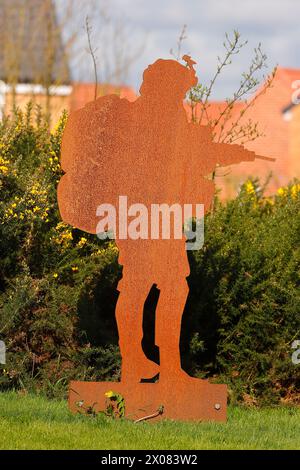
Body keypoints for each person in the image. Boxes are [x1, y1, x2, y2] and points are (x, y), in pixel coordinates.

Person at [58, 57, 272, 384]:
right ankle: (149, 364)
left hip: (152, 217)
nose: (182, 96)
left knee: (158, 286)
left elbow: (182, 156)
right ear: (165, 86)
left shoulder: (159, 115)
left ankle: (152, 365)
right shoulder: (151, 117)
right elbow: (175, 156)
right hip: (145, 217)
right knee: (154, 286)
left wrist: (225, 152)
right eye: (180, 89)